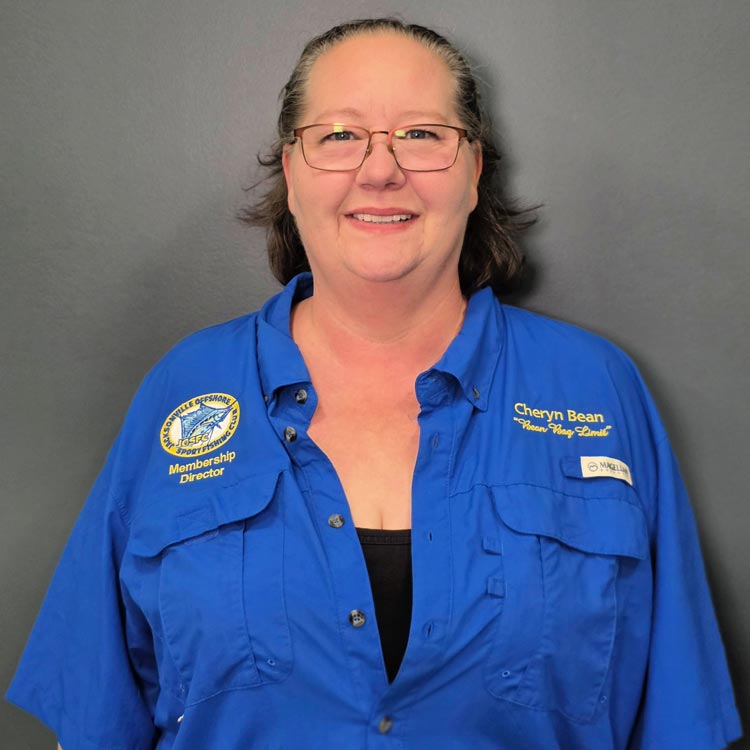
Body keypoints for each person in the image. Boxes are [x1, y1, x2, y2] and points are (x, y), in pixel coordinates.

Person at [6, 17, 743, 750]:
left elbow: (677, 722)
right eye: (338, 135)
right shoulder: (184, 389)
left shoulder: (596, 389)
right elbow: (98, 718)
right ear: (291, 173)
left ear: (473, 170)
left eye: (421, 133)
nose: (381, 170)